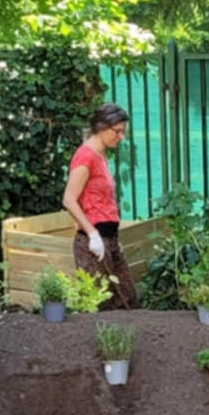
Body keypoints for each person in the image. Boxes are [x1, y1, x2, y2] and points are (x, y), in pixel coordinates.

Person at [61, 103, 137, 310]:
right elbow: (69, 199)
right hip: (92, 243)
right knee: (101, 305)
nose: (121, 136)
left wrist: (111, 239)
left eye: (123, 131)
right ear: (101, 127)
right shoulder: (85, 156)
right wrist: (93, 235)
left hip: (109, 239)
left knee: (127, 298)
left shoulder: (100, 155)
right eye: (117, 131)